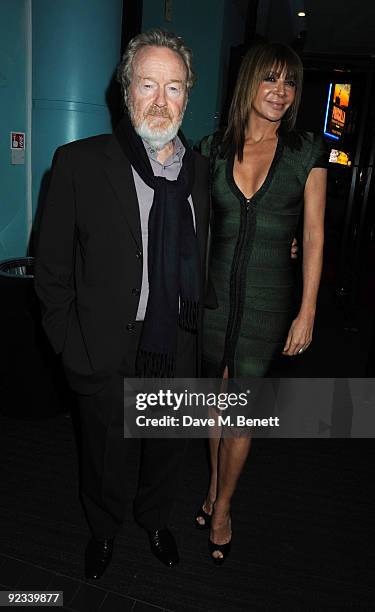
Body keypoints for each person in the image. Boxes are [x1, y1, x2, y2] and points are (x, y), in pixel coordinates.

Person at [34, 29, 210, 577]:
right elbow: (51, 270)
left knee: (167, 450)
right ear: (125, 90)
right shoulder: (77, 164)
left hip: (176, 343)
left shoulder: (203, 175)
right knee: (104, 455)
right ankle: (104, 530)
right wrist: (68, 344)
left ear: (188, 95)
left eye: (174, 87)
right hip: (104, 345)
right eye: (148, 84)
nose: (161, 100)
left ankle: (156, 519)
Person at [196, 42, 327, 564]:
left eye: (290, 83)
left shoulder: (305, 151)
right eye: (270, 79)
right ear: (248, 82)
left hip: (270, 299)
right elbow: (194, 226)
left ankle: (223, 505)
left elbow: (315, 235)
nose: (280, 92)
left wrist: (308, 309)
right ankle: (210, 485)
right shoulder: (211, 149)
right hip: (213, 297)